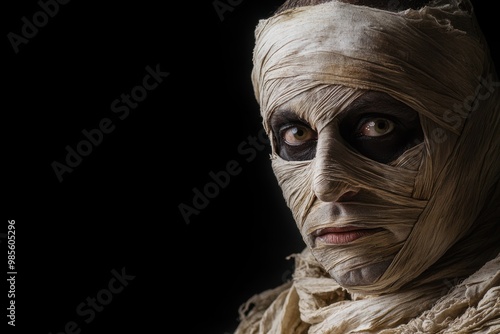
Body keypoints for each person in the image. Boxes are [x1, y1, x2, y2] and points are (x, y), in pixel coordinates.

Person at [234, 0, 500, 332]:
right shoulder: (285, 319)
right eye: (297, 133)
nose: (325, 186)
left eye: (377, 127)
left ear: (478, 137)